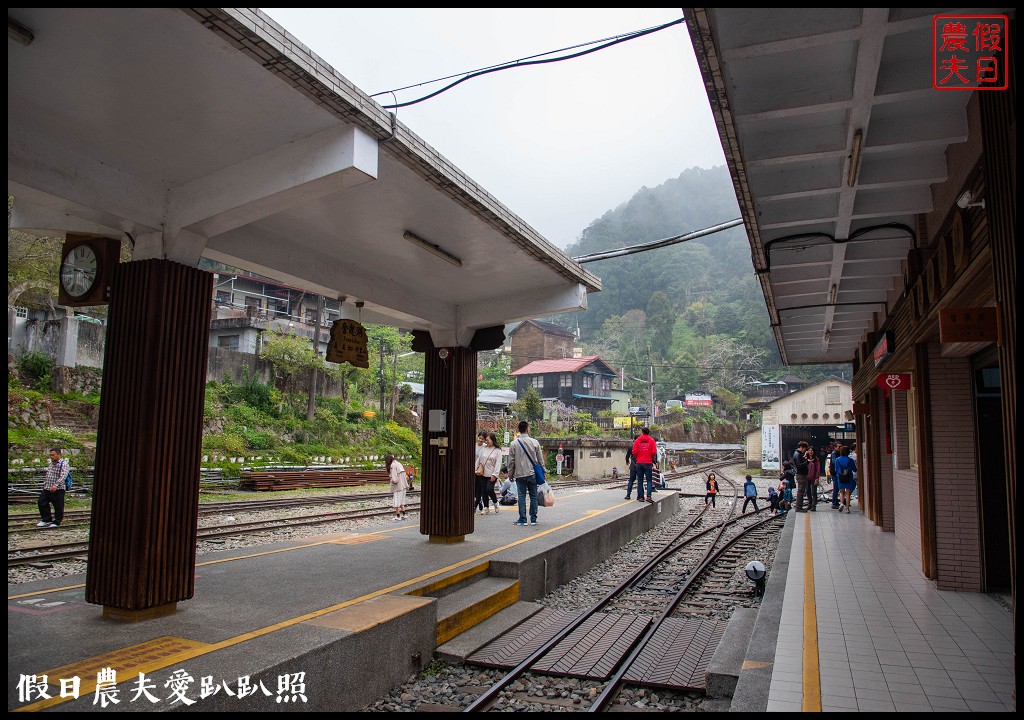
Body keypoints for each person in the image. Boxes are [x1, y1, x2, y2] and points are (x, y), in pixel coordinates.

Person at [506, 420, 543, 526]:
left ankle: (522, 519)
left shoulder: (514, 444)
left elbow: (511, 461)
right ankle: (533, 519)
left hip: (519, 475)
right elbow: (540, 460)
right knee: (533, 496)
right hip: (532, 474)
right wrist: (543, 471)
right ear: (527, 429)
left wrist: (510, 474)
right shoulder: (535, 442)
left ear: (518, 430)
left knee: (521, 496)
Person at [38, 447, 70, 528]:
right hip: (47, 487)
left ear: (58, 454)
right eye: (50, 455)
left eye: (53, 455)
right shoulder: (51, 463)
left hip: (58, 489)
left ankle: (57, 521)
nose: (51, 456)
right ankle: (46, 519)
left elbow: (63, 476)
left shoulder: (64, 464)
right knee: (41, 502)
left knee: (58, 506)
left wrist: (56, 485)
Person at [631, 427, 658, 503]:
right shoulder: (652, 441)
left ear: (642, 432)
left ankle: (641, 497)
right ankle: (649, 496)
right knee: (649, 480)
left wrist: (638, 458)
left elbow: (634, 452)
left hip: (639, 462)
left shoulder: (637, 441)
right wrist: (650, 457)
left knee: (640, 480)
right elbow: (654, 452)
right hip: (648, 462)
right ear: (648, 432)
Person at [479, 433, 503, 514]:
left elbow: (498, 463)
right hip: (482, 473)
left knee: (489, 489)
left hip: (492, 474)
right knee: (483, 491)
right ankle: (486, 507)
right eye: (486, 440)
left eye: (488, 440)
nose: (487, 441)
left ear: (493, 440)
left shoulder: (497, 450)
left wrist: (495, 474)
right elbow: (479, 460)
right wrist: (476, 469)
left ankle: (495, 502)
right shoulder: (484, 448)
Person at [833, 445, 858, 513]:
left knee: (841, 492)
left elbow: (836, 470)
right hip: (849, 477)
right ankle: (847, 508)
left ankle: (841, 504)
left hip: (840, 477)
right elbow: (854, 469)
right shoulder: (850, 460)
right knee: (847, 493)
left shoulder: (837, 460)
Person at [385, 453, 409, 520]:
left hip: (398, 487)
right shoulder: (398, 463)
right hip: (404, 485)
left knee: (397, 502)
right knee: (402, 501)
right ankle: (404, 515)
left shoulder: (393, 466)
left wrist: (392, 480)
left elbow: (395, 479)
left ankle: (398, 516)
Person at [792, 441, 810, 512]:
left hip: (801, 474)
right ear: (802, 447)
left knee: (801, 491)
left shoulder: (797, 454)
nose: (805, 450)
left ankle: (799, 506)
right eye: (805, 448)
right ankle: (799, 507)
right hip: (801, 474)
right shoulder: (798, 455)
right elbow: (799, 465)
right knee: (801, 491)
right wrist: (807, 462)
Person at [473, 431, 488, 514]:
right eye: (480, 438)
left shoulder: (485, 447)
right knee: (474, 489)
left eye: (483, 439)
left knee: (479, 488)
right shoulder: (473, 446)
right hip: (473, 470)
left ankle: (476, 505)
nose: (481, 440)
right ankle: (478, 502)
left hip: (481, 471)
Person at [804, 447, 820, 511]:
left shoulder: (816, 460)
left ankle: (814, 505)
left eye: (812, 450)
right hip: (807, 477)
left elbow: (818, 469)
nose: (810, 452)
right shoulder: (805, 459)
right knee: (808, 491)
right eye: (809, 450)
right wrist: (805, 454)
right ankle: (809, 503)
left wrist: (817, 478)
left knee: (814, 492)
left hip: (814, 477)